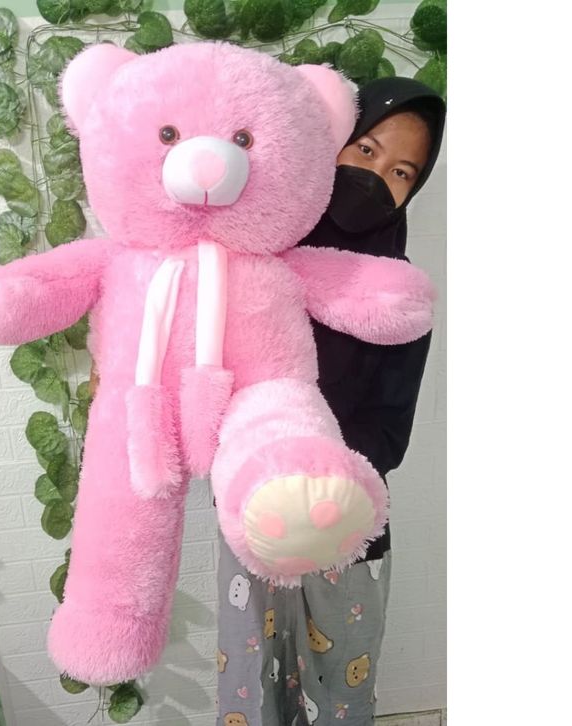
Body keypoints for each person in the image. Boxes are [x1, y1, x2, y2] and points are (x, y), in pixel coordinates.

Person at [215, 77, 446, 726]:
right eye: (365, 150)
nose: (377, 178)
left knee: (343, 678)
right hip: (253, 512)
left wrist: (320, 485)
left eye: (402, 171)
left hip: (346, 519)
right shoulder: (256, 262)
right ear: (331, 143)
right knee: (251, 681)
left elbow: (390, 432)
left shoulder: (399, 299)